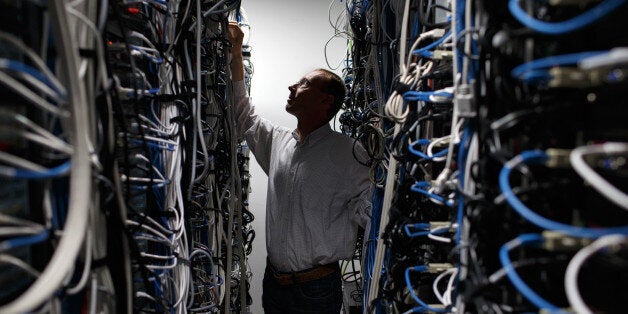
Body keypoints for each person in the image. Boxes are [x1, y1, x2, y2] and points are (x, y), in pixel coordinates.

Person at [228, 23, 371, 313]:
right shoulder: (279, 142)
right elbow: (243, 114)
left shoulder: (348, 152)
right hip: (275, 283)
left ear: (325, 100)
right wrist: (234, 50)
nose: (293, 87)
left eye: (304, 84)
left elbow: (370, 213)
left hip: (317, 289)